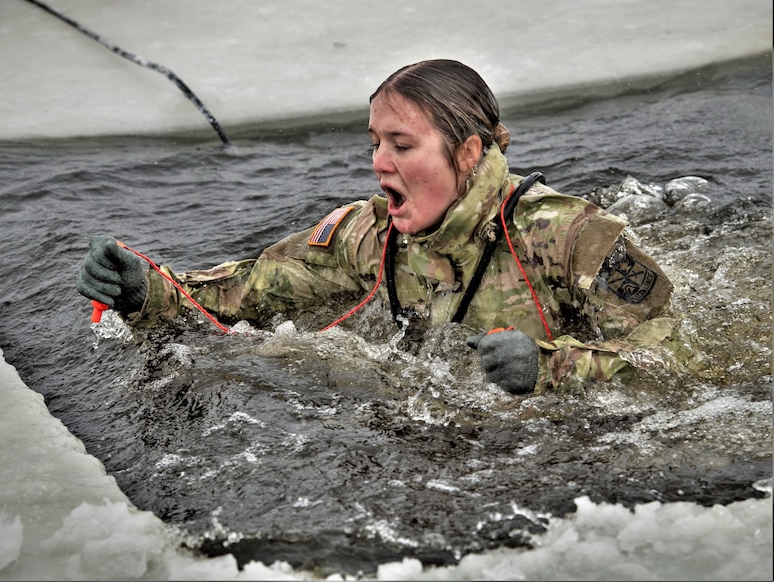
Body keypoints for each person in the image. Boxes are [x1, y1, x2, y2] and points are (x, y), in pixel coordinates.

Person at [76, 59, 675, 395]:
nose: (379, 163)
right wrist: (147, 290)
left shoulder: (575, 238)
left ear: (467, 153)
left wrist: (548, 368)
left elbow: (674, 359)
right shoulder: (370, 237)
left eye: (402, 145)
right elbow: (244, 296)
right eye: (375, 143)